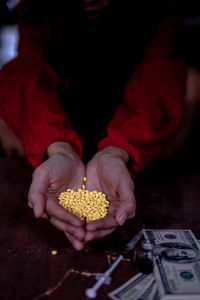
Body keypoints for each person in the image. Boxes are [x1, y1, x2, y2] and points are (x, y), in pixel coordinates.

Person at [0, 0, 200, 250]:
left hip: (132, 123)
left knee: (190, 83)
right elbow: (29, 74)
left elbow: (157, 80)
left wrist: (118, 151)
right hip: (59, 116)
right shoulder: (37, 8)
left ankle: (134, 167)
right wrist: (57, 147)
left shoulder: (160, 9)